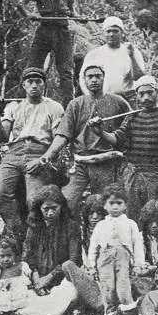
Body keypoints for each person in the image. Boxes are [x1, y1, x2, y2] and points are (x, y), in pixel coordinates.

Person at [91, 75, 158, 220]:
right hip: (134, 175)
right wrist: (100, 132)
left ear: (157, 92)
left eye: (149, 93)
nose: (146, 97)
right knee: (134, 216)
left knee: (157, 214)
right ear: (137, 96)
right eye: (141, 94)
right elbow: (116, 138)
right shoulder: (132, 117)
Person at [40, 64, 130, 217]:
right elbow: (63, 135)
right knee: (67, 201)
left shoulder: (119, 102)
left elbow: (129, 128)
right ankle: (73, 239)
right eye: (90, 77)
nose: (94, 80)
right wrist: (48, 154)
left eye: (98, 76)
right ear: (84, 80)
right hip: (80, 164)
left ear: (103, 78)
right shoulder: (76, 104)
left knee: (104, 206)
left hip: (106, 164)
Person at [0, 67, 65, 235]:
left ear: (44, 85)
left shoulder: (53, 107)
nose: (34, 86)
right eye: (30, 82)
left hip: (39, 153)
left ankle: (35, 238)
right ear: (23, 85)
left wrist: (45, 158)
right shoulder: (13, 106)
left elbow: (58, 138)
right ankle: (18, 232)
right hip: (14, 153)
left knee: (34, 201)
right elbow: (1, 137)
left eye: (38, 82)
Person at [17, 0, 79, 107]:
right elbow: (21, 4)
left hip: (62, 31)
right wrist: (29, 14)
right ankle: (24, 102)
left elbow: (71, 11)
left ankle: (68, 106)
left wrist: (80, 18)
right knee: (33, 66)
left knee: (66, 70)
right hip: (44, 30)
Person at [85, 183, 147, 315]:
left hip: (123, 260)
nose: (115, 207)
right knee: (108, 291)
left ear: (125, 205)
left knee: (123, 291)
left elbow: (138, 245)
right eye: (111, 203)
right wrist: (92, 266)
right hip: (104, 261)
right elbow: (93, 247)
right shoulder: (100, 225)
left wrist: (138, 264)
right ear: (105, 205)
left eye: (119, 203)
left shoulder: (130, 224)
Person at [16, 185, 80, 315]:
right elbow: (27, 256)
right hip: (37, 279)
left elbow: (73, 259)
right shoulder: (33, 228)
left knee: (70, 293)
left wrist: (49, 278)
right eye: (46, 209)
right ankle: (37, 310)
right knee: (18, 285)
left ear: (61, 207)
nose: (50, 213)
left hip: (61, 279)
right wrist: (37, 279)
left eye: (54, 208)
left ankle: (32, 313)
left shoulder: (71, 226)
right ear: (39, 209)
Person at [79, 16, 145, 104]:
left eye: (115, 31)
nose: (111, 34)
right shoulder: (94, 54)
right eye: (108, 31)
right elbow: (83, 78)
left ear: (122, 33)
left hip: (129, 98)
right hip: (103, 98)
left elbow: (140, 78)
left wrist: (131, 56)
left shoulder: (132, 51)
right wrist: (90, 96)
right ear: (103, 33)